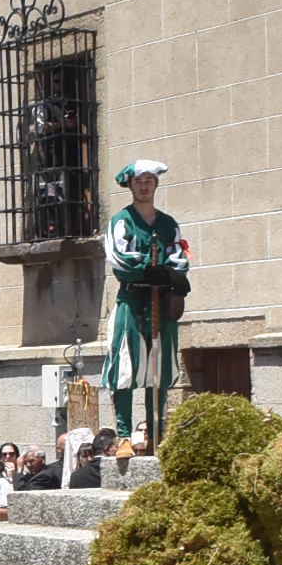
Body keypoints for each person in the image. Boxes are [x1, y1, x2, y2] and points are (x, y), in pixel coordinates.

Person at [105, 162, 189, 442]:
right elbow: (119, 257)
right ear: (130, 185)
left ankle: (156, 434)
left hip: (161, 299)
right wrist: (146, 267)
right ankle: (125, 436)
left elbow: (179, 257)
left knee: (159, 365)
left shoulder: (168, 224)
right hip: (132, 297)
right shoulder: (121, 220)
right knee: (126, 362)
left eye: (150, 180)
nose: (144, 185)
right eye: (139, 181)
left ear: (156, 184)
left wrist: (166, 273)